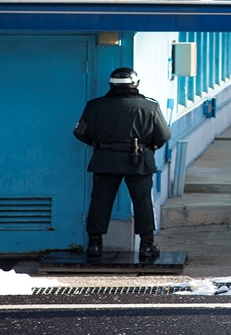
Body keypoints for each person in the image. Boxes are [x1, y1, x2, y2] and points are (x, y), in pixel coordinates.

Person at [73, 67, 171, 261]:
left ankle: (95, 244)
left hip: (104, 159)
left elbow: (80, 133)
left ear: (111, 84)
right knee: (143, 202)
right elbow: (163, 135)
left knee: (100, 201)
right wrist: (148, 147)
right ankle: (147, 245)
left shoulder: (94, 106)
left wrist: (100, 145)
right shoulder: (150, 107)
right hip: (138, 160)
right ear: (135, 84)